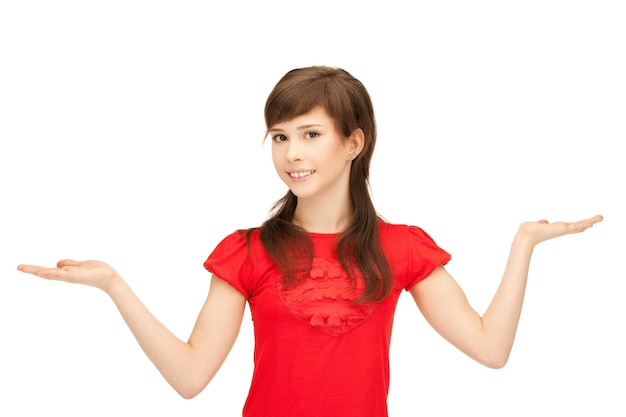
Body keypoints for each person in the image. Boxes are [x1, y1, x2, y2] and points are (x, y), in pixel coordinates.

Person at [17, 66, 603, 417]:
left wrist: (524, 243)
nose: (291, 153)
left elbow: (490, 350)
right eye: (279, 136)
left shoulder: (401, 249)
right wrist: (114, 285)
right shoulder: (246, 251)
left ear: (353, 142)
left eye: (310, 134)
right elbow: (191, 377)